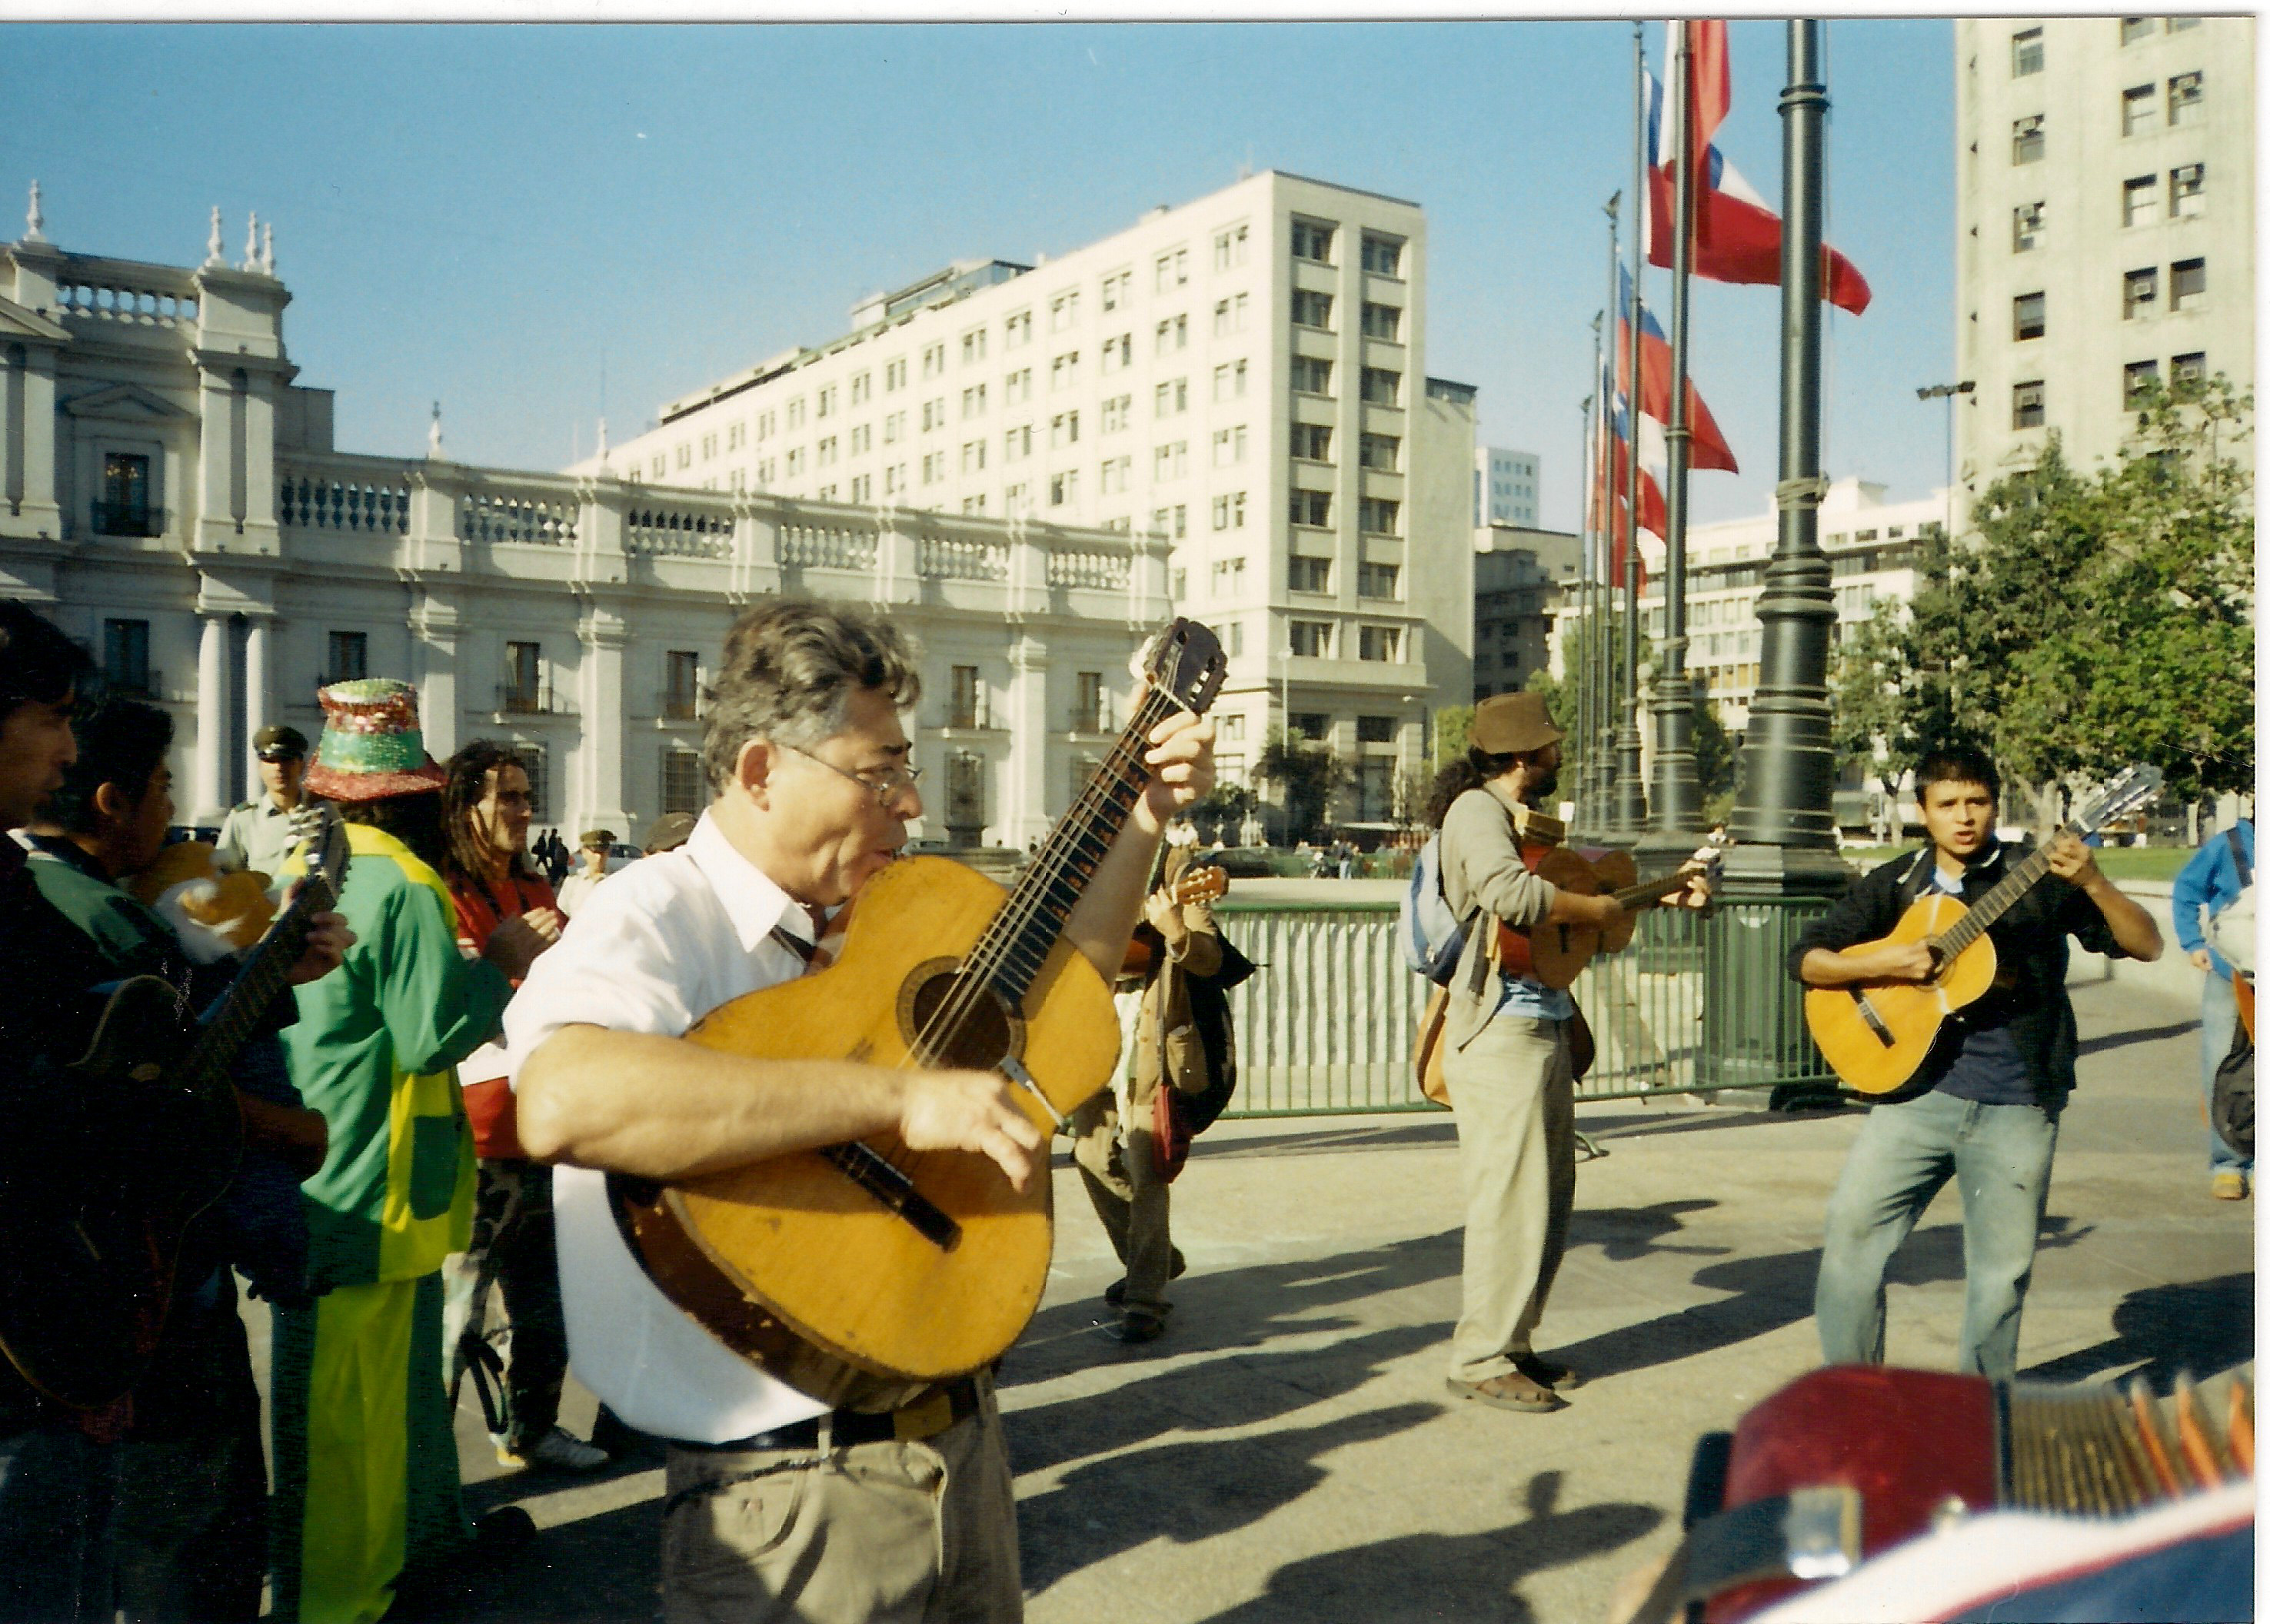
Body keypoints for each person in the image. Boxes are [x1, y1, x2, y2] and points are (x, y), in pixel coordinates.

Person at [502, 598, 1213, 1623]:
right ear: (760, 771)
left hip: (961, 1453)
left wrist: (1142, 813)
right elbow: (566, 1096)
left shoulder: (883, 917)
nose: (912, 800)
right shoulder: (656, 911)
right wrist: (894, 1098)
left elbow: (1066, 989)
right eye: (879, 774)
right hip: (785, 1505)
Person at [0, 602, 349, 1622]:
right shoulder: (93, 900)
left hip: (98, 1298)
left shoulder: (101, 880)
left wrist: (278, 971)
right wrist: (258, 1128)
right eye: (52, 719)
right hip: (78, 1311)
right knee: (168, 1541)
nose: (64, 749)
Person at [268, 681, 548, 1624]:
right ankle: (342, 1599)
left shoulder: (307, 864)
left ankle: (425, 1543)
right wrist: (504, 959)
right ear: (414, 797)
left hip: (338, 1173)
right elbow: (432, 1036)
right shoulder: (410, 884)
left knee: (392, 1404)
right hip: (378, 1185)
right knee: (352, 1415)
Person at [1795, 745, 2163, 1381]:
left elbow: (2148, 944)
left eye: (1978, 802)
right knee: (1851, 1241)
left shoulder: (2040, 878)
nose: (1964, 817)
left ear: (1995, 805)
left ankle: (1978, 1415)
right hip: (1914, 1096)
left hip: (2016, 1103)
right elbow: (1809, 959)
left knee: (2000, 1275)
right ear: (1923, 812)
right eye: (1948, 804)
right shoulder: (1900, 881)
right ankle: (1852, 1400)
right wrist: (1888, 963)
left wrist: (2095, 883)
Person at [1426, 691, 1706, 1415]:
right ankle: (1480, 1357)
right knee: (1508, 1201)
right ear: (1525, 754)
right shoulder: (1476, 811)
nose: (1560, 755)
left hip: (1540, 1019)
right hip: (1497, 1029)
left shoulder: (1522, 818)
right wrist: (1594, 909)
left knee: (1546, 1199)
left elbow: (1578, 912)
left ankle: (1513, 1344)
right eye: (1552, 746)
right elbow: (1510, 893)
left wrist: (1657, 896)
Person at [435, 741, 606, 1474]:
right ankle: (429, 1473)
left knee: (546, 1309)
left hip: (545, 1133)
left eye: (526, 795)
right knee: (456, 1314)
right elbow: (475, 1009)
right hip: (479, 1138)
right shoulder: (445, 895)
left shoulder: (539, 895)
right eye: (506, 796)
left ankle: (531, 1431)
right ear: (463, 807)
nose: (524, 809)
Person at [1068, 824, 1219, 1343]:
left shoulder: (1180, 869)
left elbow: (1208, 957)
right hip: (1085, 1024)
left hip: (1147, 1028)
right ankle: (1154, 1258)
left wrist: (1175, 927)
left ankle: (1145, 1296)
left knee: (1146, 1159)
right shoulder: (1086, 855)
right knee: (1089, 1154)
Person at [2172, 817, 2254, 1200]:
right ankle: (2228, 1163)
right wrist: (2192, 942)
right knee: (2221, 1064)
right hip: (2230, 975)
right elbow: (2187, 890)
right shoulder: (2228, 844)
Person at [216, 723, 316, 878]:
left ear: (302, 766)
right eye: (270, 761)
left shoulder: (320, 814)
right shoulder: (244, 818)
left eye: (286, 760)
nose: (279, 768)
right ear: (260, 767)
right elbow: (225, 876)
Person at [554, 827, 616, 917]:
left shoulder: (617, 880)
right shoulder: (573, 882)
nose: (598, 857)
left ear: (608, 852)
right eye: (594, 852)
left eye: (602, 853)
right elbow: (562, 915)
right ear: (584, 852)